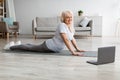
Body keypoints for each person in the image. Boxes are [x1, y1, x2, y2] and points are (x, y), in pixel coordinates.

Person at [4, 10, 84, 56]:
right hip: (49, 46)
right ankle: (10, 47)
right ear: (63, 18)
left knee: (31, 46)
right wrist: (73, 52)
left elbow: (72, 38)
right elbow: (66, 39)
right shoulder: (62, 25)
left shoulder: (70, 27)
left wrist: (77, 49)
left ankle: (16, 44)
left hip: (54, 48)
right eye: (67, 17)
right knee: (30, 48)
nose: (69, 19)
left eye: (71, 17)